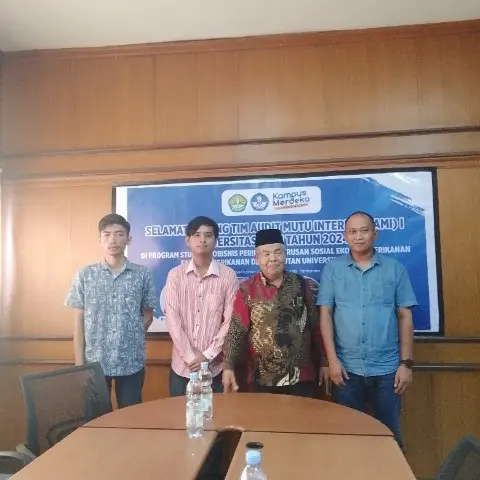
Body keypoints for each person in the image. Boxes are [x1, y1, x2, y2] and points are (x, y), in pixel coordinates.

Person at [317, 211, 417, 449]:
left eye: (364, 230)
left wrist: (406, 364)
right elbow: (325, 315)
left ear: (375, 233)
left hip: (387, 370)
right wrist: (332, 361)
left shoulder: (394, 269)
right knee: (347, 437)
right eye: (352, 232)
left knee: (388, 436)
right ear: (344, 236)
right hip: (346, 369)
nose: (358, 237)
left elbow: (405, 316)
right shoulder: (332, 269)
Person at [222, 228, 329, 397]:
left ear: (285, 255)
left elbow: (315, 325)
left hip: (301, 377)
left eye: (278, 252)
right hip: (262, 379)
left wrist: (325, 361)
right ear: (256, 259)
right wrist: (228, 366)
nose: (273, 258)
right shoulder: (246, 289)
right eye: (266, 254)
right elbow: (237, 330)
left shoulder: (300, 283)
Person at [65, 213, 157, 408]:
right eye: (106, 235)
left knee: (131, 417)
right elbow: (78, 324)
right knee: (96, 419)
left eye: (119, 234)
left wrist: (129, 337)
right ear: (99, 239)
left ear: (128, 239)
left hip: (131, 362)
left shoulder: (142, 275)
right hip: (94, 363)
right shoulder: (85, 275)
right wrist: (80, 366)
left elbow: (148, 315)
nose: (112, 240)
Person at [164, 216, 239, 397]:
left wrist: (207, 355)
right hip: (182, 368)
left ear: (216, 240)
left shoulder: (228, 276)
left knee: (214, 414)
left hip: (214, 369)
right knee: (179, 414)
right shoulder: (175, 275)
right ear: (187, 240)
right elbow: (172, 319)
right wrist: (191, 357)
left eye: (208, 235)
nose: (202, 240)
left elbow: (230, 321)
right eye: (197, 235)